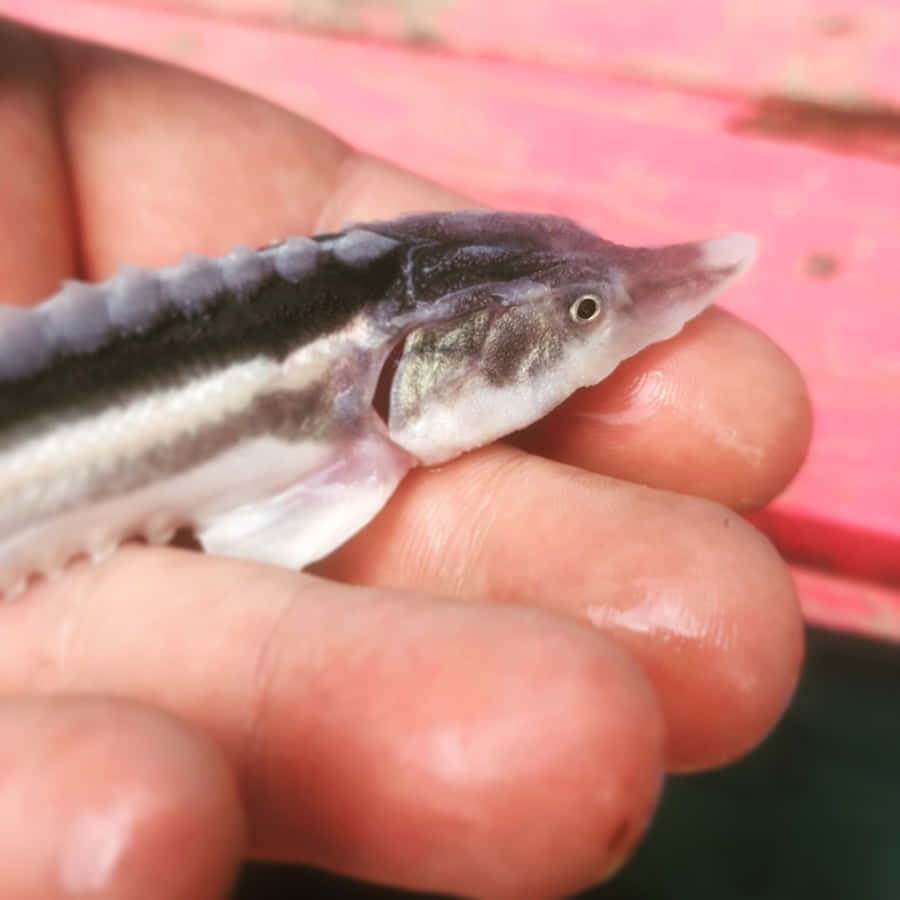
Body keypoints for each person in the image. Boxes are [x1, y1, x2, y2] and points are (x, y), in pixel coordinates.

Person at [0, 21, 810, 900]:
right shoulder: (348, 419)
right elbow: (270, 536)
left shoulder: (361, 384)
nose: (619, 315)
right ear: (428, 360)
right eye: (584, 313)